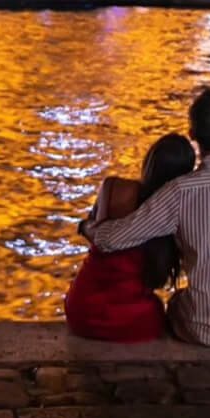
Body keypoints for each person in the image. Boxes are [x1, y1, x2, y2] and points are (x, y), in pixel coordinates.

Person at [83, 88, 210, 346]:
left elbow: (110, 239)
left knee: (176, 302)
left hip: (205, 328)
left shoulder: (181, 191)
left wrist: (87, 226)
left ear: (192, 134)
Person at [65, 133, 195, 341]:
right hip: (130, 319)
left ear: (149, 162)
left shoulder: (113, 187)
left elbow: (94, 229)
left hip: (81, 309)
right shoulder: (176, 214)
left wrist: (85, 227)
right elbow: (158, 280)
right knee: (161, 311)